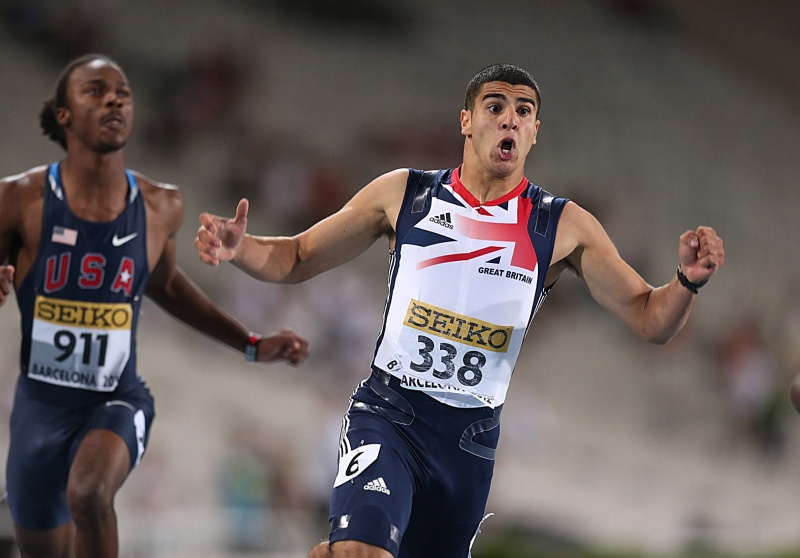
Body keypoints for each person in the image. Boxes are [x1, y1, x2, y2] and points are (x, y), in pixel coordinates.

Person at [195, 63, 725, 558]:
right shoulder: (405, 194)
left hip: (468, 445)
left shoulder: (561, 226)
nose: (510, 119)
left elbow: (650, 319)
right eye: (496, 107)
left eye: (523, 111)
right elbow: (298, 256)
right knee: (363, 552)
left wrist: (687, 281)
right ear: (467, 121)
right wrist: (240, 247)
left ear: (534, 132)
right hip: (390, 416)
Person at [0, 53, 309, 558]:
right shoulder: (17, 200)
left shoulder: (160, 205)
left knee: (89, 492)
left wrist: (250, 344)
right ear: (63, 114)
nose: (114, 100)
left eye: (123, 93)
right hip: (39, 407)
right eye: (96, 91)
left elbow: (164, 286)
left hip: (115, 398)